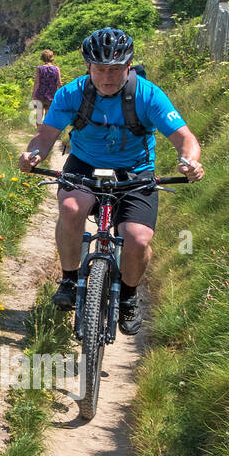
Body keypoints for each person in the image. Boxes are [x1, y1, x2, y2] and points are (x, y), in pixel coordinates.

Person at [18, 27, 204, 335]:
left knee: (138, 238)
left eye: (115, 69)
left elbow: (185, 139)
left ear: (128, 66)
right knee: (72, 209)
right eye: (100, 69)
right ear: (88, 67)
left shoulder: (147, 95)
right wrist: (33, 156)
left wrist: (190, 161)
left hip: (135, 170)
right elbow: (45, 136)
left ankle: (129, 296)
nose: (107, 76)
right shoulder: (71, 93)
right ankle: (68, 278)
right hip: (85, 164)